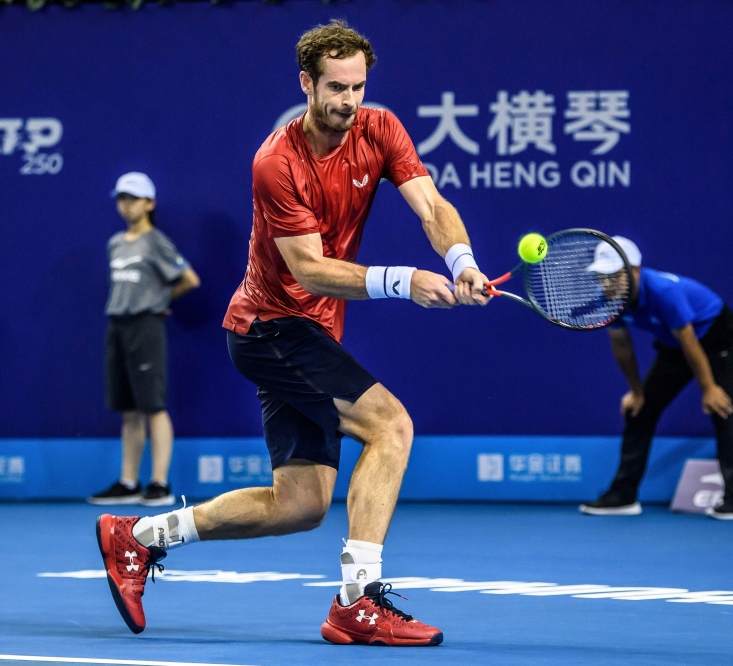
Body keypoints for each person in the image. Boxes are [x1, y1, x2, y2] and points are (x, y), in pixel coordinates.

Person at [95, 21, 491, 644]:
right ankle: (356, 602)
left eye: (359, 86)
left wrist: (460, 261)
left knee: (301, 504)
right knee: (391, 426)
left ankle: (138, 536)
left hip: (308, 333)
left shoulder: (380, 129)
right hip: (271, 328)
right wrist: (406, 281)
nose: (350, 101)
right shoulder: (275, 162)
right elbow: (308, 268)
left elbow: (431, 203)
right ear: (306, 83)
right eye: (336, 87)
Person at [579, 236, 733, 520]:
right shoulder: (609, 300)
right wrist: (636, 391)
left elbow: (690, 343)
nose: (607, 284)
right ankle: (622, 496)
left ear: (635, 271)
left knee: (721, 408)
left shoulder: (663, 292)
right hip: (676, 345)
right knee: (640, 410)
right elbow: (622, 346)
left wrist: (708, 388)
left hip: (717, 336)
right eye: (601, 276)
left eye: (614, 276)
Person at [88, 172, 200, 507]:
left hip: (146, 328)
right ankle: (128, 482)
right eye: (122, 198)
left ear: (149, 203)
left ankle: (160, 484)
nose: (126, 205)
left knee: (153, 405)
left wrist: (160, 303)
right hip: (118, 327)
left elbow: (189, 279)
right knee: (129, 409)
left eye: (133, 198)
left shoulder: (156, 242)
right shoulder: (115, 243)